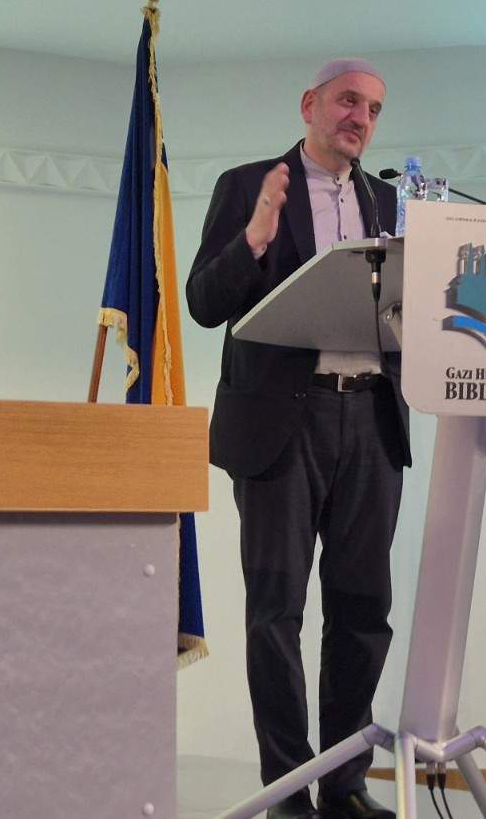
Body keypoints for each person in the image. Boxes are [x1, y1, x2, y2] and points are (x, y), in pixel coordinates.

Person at [186, 58, 409, 819]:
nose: (360, 119)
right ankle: (287, 791)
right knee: (276, 612)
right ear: (310, 104)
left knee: (363, 612)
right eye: (348, 101)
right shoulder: (248, 185)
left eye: (373, 109)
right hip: (282, 424)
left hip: (371, 420)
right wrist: (253, 239)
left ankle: (345, 785)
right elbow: (203, 304)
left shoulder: (389, 201)